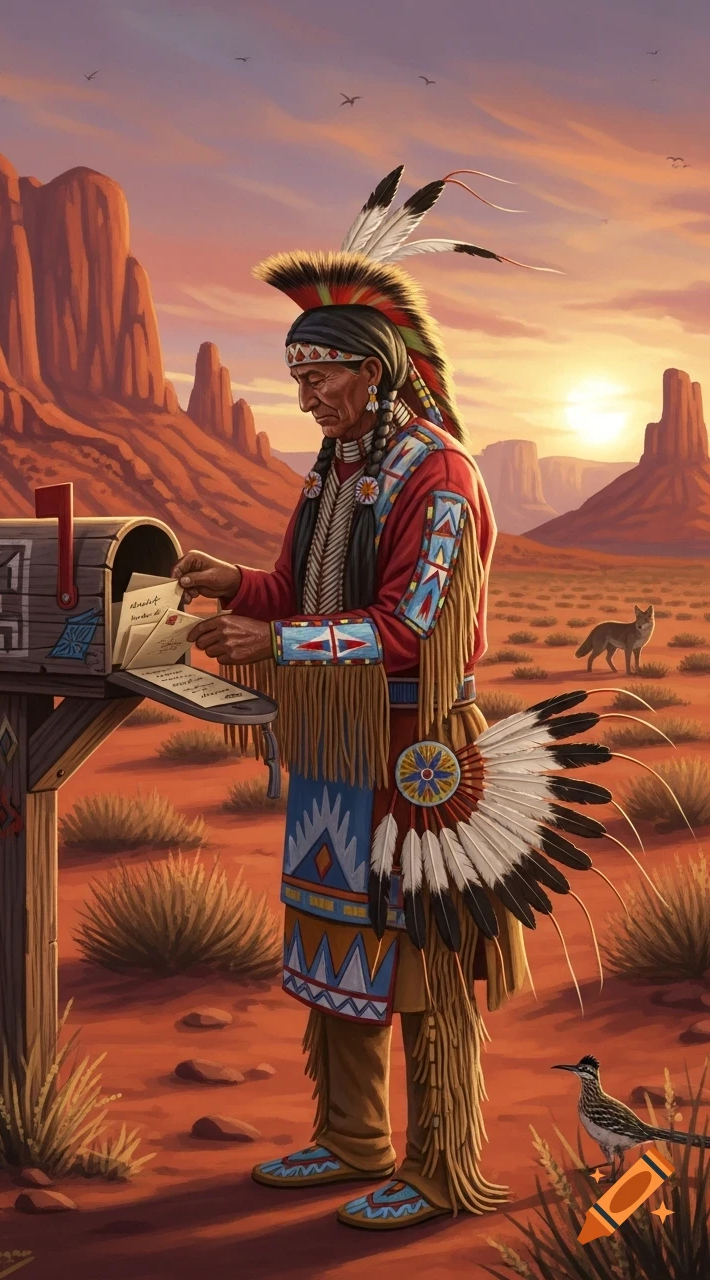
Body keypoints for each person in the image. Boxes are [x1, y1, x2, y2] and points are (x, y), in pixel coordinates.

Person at [173, 165, 546, 1231]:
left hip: (417, 749)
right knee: (334, 940)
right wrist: (231, 584)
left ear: (372, 373)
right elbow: (296, 592)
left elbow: (410, 628)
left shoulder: (440, 476)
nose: (303, 394)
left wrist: (275, 636)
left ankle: (436, 1167)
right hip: (336, 749)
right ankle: (350, 1136)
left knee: (423, 961)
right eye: (296, 376)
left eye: (318, 374)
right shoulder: (330, 471)